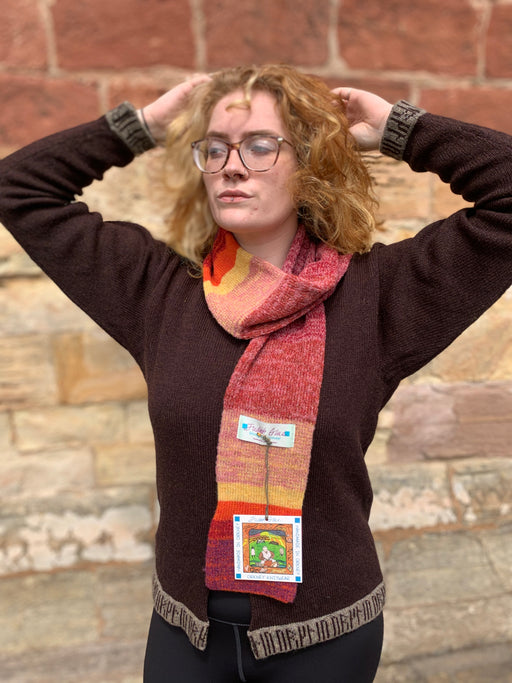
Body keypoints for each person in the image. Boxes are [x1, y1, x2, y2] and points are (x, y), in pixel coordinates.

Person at [1, 63, 511, 683]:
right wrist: (145, 127)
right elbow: (18, 188)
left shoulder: (379, 297)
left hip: (325, 637)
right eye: (214, 148)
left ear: (311, 163)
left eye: (261, 146)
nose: (231, 166)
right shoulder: (157, 291)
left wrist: (402, 129)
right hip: (185, 636)